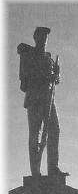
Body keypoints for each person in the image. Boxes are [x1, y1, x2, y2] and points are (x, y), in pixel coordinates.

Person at [17, 27, 67, 178]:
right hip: (35, 99)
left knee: (54, 130)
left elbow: (55, 81)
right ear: (35, 38)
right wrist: (48, 77)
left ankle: (53, 168)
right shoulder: (27, 54)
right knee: (35, 134)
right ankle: (35, 171)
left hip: (49, 99)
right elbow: (25, 77)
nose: (44, 38)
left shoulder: (49, 58)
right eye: (41, 35)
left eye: (46, 36)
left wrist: (56, 75)